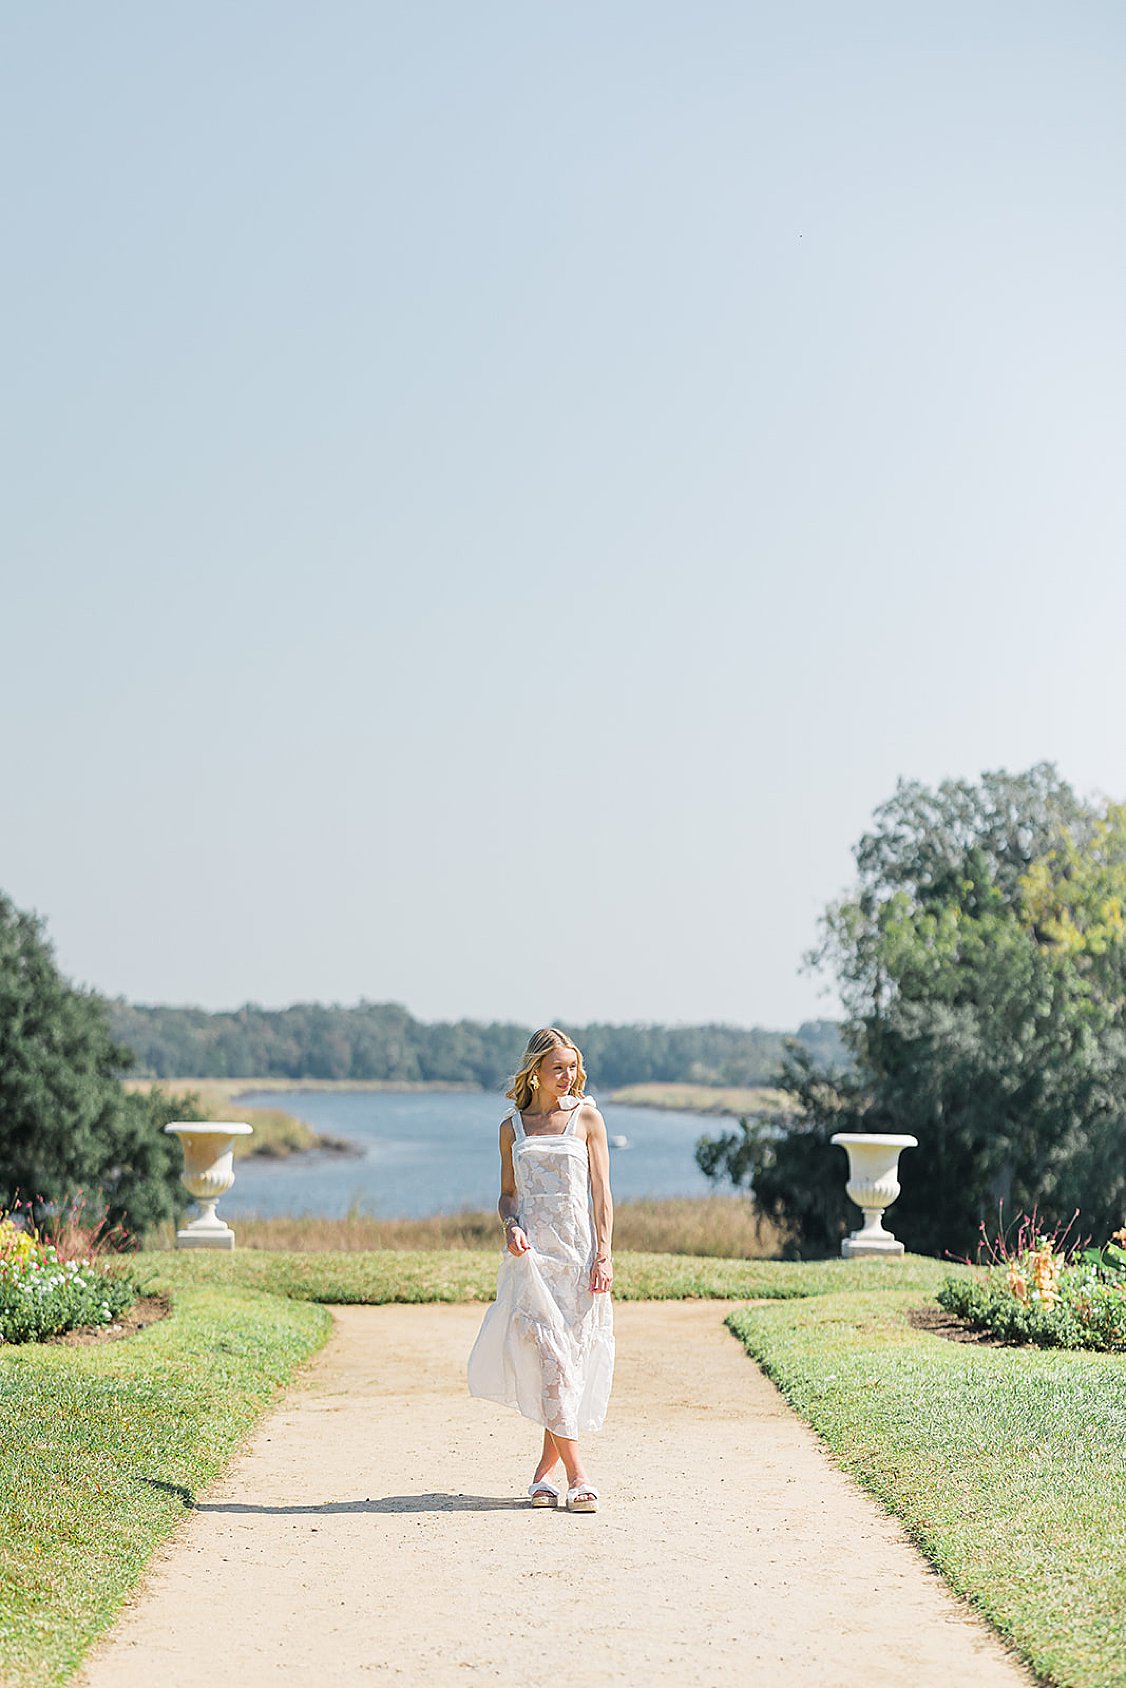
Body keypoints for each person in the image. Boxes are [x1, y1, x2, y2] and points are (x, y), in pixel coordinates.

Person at [467, 1027, 614, 1513]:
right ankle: (579, 1476)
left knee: (567, 1363)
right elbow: (508, 1194)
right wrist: (510, 1225)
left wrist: (604, 1253)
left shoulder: (588, 1118)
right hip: (531, 1259)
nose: (568, 1076)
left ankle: (542, 1475)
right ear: (536, 1071)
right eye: (558, 1068)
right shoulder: (513, 1128)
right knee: (551, 1358)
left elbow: (601, 1194)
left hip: (577, 1258)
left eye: (572, 1066)